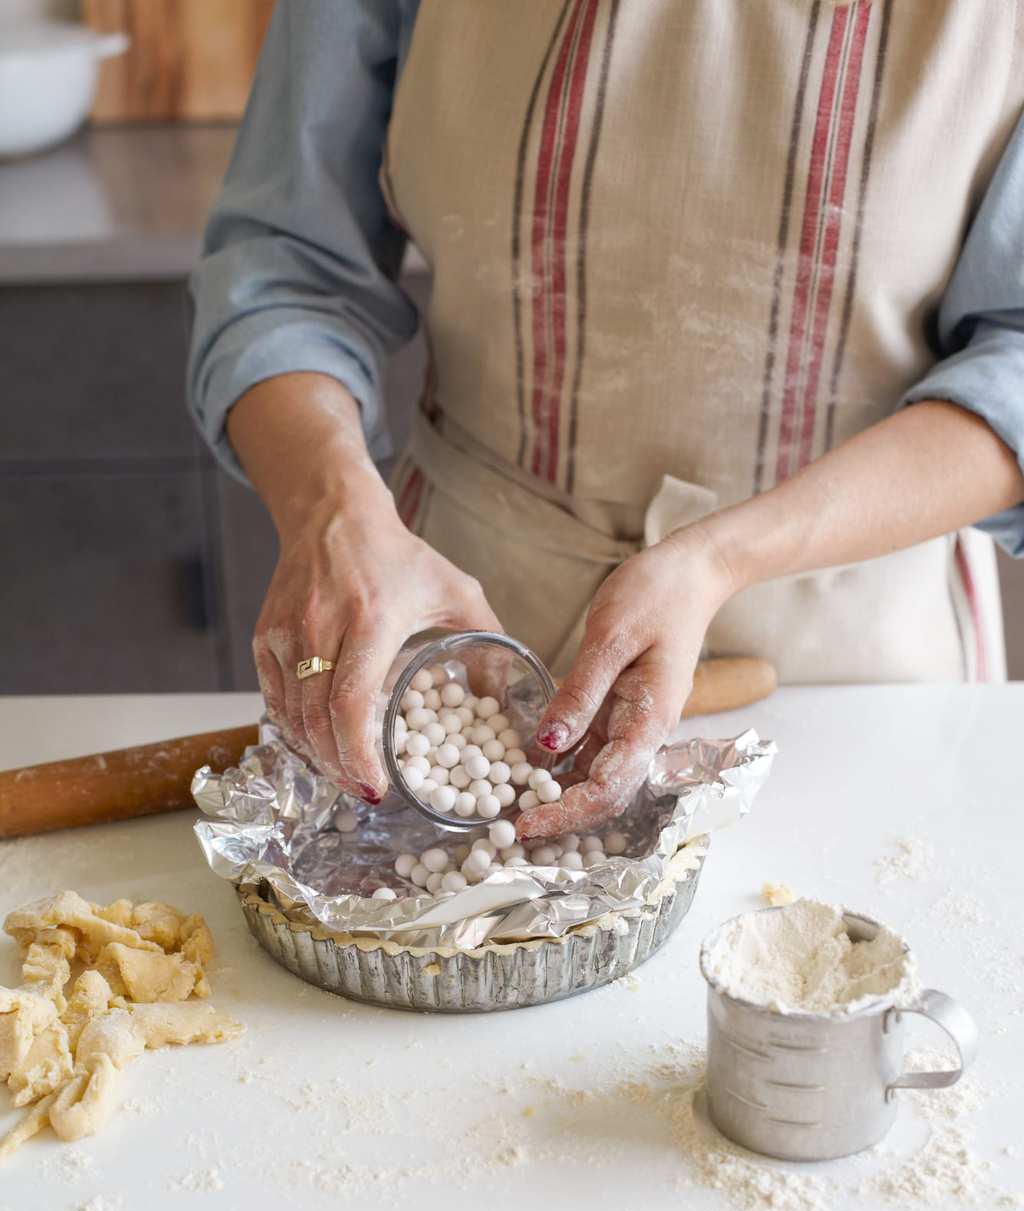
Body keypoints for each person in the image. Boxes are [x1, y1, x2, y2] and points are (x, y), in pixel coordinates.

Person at [189, 0, 1024, 837]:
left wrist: (720, 559)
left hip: (856, 682)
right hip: (452, 650)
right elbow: (284, 267)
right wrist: (332, 514)